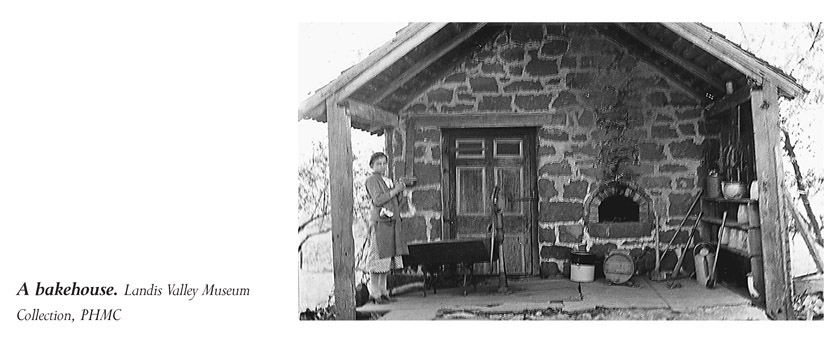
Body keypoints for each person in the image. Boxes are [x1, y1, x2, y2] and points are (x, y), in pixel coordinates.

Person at [363, 151, 409, 304]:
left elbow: (397, 202)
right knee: (377, 259)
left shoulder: (388, 180)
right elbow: (378, 200)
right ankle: (374, 293)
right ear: (372, 166)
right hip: (381, 223)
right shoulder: (372, 180)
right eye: (378, 164)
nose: (382, 166)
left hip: (392, 222)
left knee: (386, 260)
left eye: (384, 163)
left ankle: (384, 292)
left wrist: (399, 191)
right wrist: (394, 191)